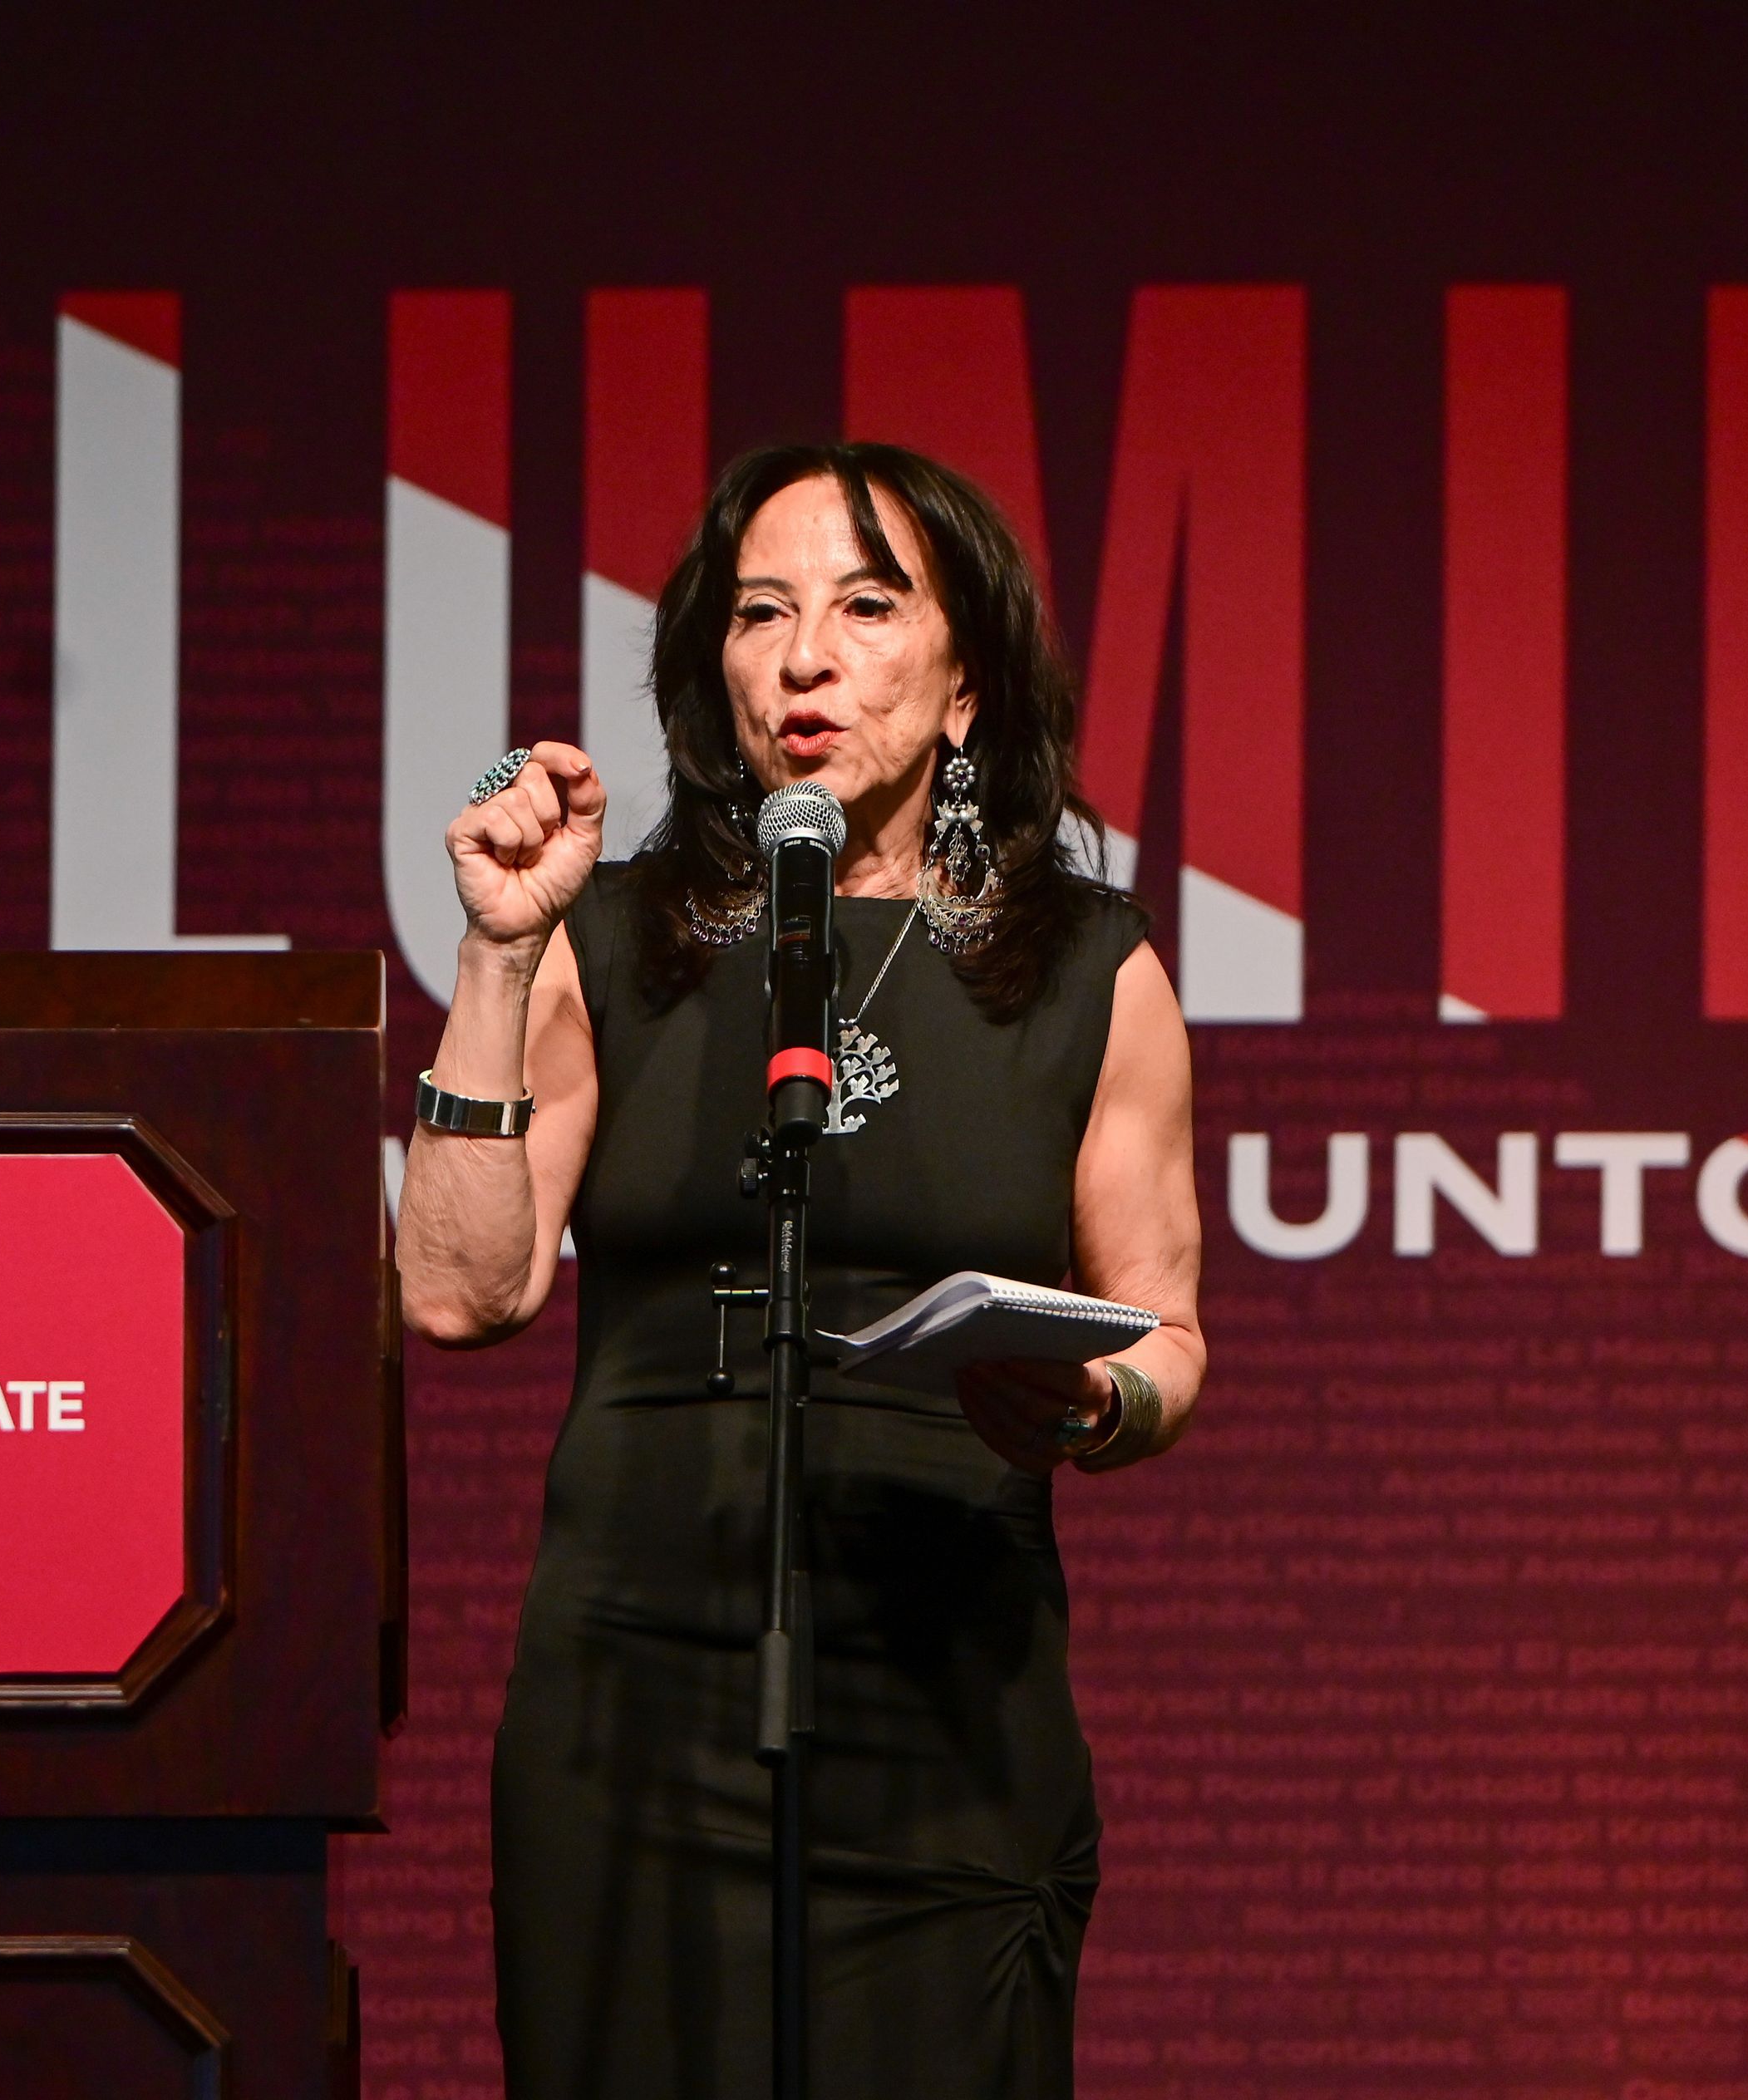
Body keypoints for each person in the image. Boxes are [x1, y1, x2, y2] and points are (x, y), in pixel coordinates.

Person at [394, 442, 1206, 2099]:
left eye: (864, 604)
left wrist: (1095, 1402)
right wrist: (496, 951)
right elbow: (460, 1291)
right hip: (632, 1705)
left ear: (964, 679)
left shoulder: (1085, 973)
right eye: (761, 611)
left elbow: (1170, 1333)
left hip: (942, 1707)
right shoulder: (614, 942)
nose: (805, 654)